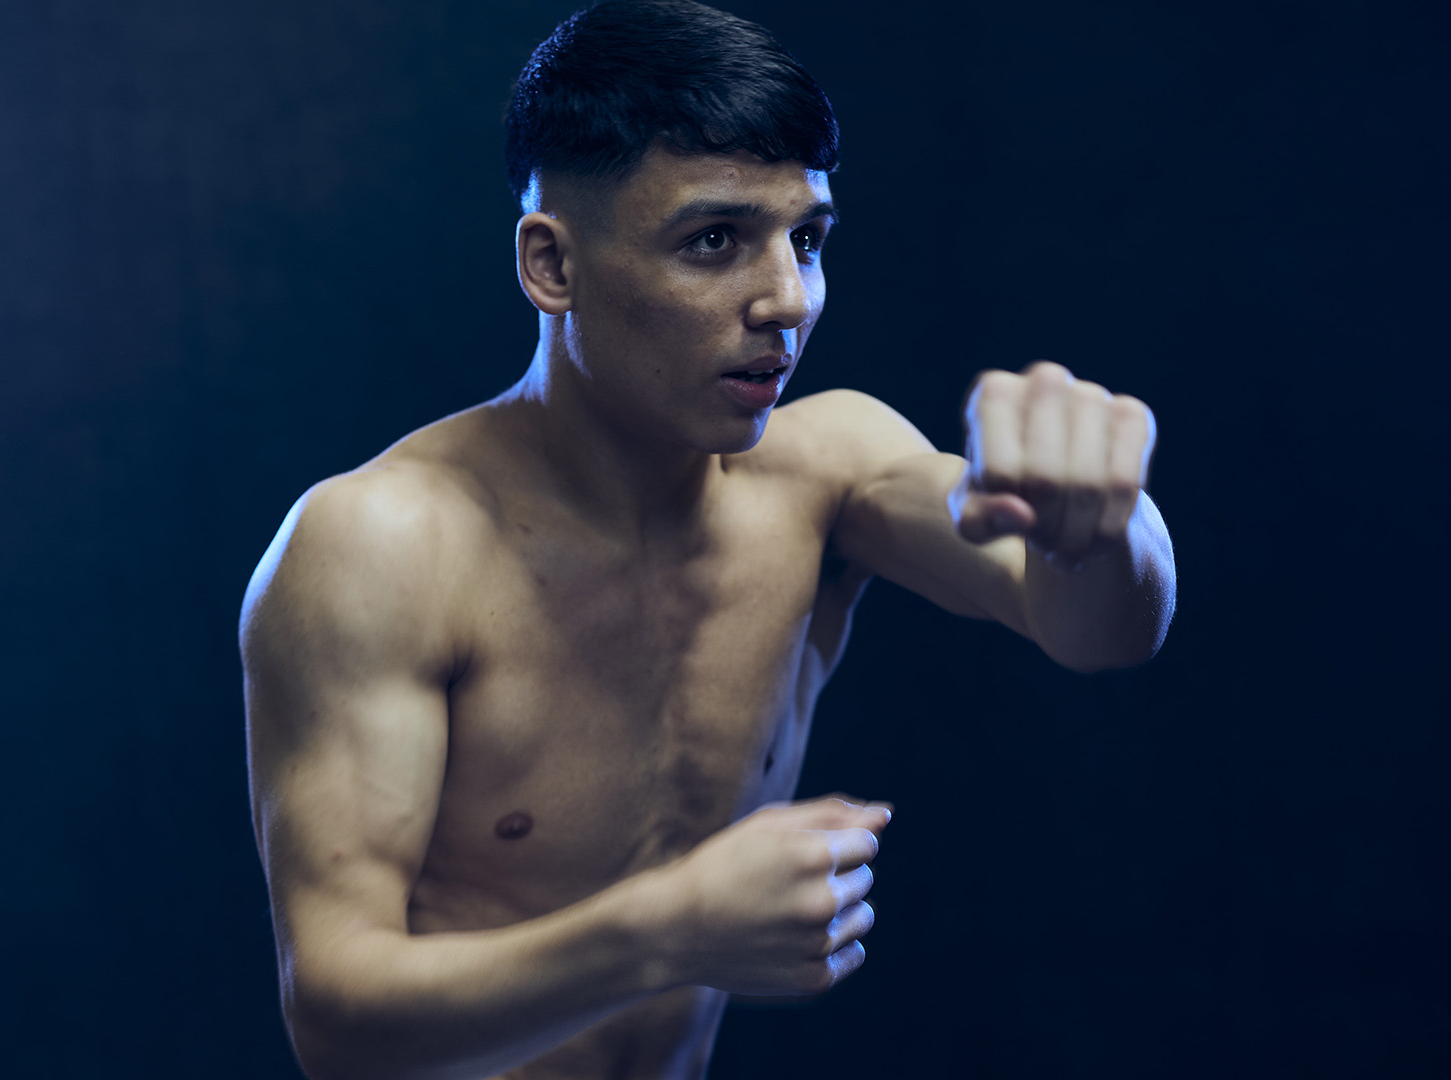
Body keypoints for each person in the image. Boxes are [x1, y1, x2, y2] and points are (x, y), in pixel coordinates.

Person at [238, 2, 1175, 1076]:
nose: (787, 300)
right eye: (714, 241)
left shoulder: (829, 472)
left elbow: (1102, 631)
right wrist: (665, 931)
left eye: (807, 239)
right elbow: (336, 1024)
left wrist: (1101, 522)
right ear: (552, 266)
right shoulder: (382, 543)